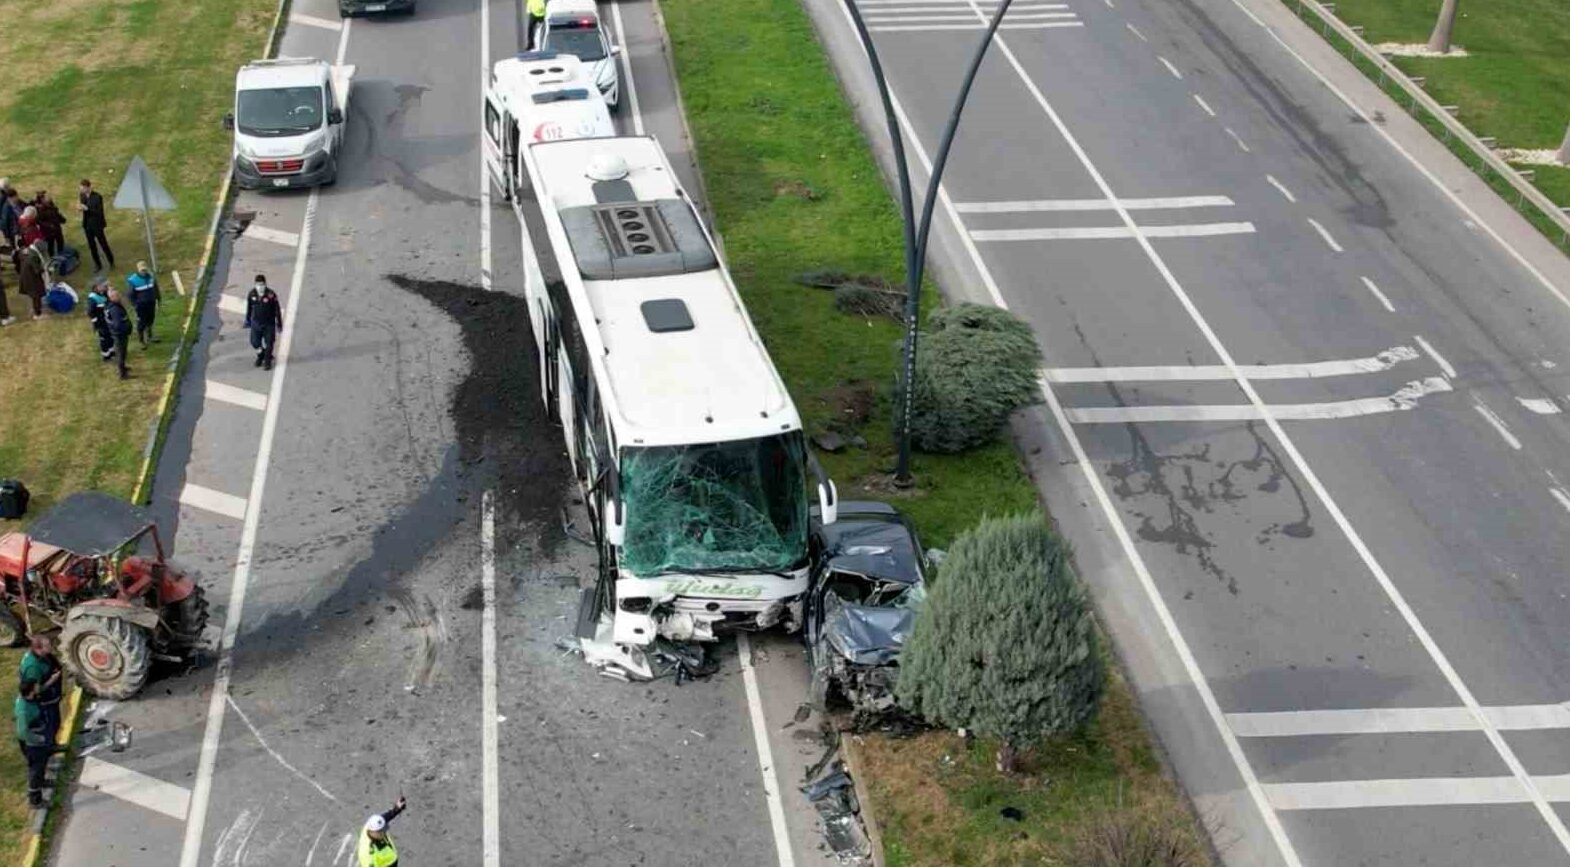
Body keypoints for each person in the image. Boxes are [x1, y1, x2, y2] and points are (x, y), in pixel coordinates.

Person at [19, 635, 62, 747]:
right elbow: (36, 690)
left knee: (54, 723)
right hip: (45, 701)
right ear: (38, 648)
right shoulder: (33, 668)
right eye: (47, 646)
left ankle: (52, 744)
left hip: (51, 697)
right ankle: (49, 749)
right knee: (51, 725)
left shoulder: (38, 655)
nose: (51, 647)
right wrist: (52, 680)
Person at [14, 681, 51, 808]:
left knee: (42, 763)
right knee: (36, 768)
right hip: (32, 744)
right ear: (30, 691)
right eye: (35, 687)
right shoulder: (24, 710)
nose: (37, 687)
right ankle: (35, 799)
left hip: (39, 739)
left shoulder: (29, 699)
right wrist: (38, 739)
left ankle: (42, 781)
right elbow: (23, 732)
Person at [244, 275, 283, 370]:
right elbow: (249, 308)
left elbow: (277, 309)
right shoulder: (252, 294)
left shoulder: (271, 294)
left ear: (265, 284)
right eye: (258, 284)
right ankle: (261, 355)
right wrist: (247, 319)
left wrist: (279, 323)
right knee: (254, 342)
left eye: (262, 284)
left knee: (269, 343)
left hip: (269, 323)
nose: (260, 286)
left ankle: (267, 362)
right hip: (256, 323)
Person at [76, 178, 114, 273]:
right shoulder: (82, 196)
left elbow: (99, 212)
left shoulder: (97, 197)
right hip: (87, 225)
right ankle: (97, 264)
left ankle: (111, 261)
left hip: (97, 224)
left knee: (103, 243)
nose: (81, 190)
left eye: (83, 188)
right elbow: (82, 206)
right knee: (92, 245)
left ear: (88, 187)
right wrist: (80, 208)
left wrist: (87, 209)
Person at [357, 796, 406, 867]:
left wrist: (397, 809)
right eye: (380, 831)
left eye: (383, 829)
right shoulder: (367, 855)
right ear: (374, 832)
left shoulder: (369, 826)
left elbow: (383, 818)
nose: (383, 833)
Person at [127, 261, 160, 346]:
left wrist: (158, 299)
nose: (144, 272)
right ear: (138, 270)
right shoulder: (133, 280)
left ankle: (150, 336)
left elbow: (156, 289)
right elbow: (130, 295)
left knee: (150, 320)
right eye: (142, 270)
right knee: (141, 323)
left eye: (145, 270)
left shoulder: (151, 277)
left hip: (151, 303)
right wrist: (135, 305)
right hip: (141, 306)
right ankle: (141, 341)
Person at [104, 288, 133, 379]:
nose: (119, 297)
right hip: (120, 334)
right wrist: (126, 330)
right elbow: (118, 324)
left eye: (118, 295)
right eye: (116, 296)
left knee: (122, 352)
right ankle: (122, 374)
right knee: (121, 353)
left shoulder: (113, 306)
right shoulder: (115, 309)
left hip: (118, 333)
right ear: (111, 297)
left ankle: (123, 367)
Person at [17, 239, 47, 319]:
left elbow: (19, 254)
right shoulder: (33, 256)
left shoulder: (26, 250)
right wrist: (46, 269)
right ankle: (38, 314)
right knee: (36, 295)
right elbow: (37, 270)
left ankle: (34, 309)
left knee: (33, 295)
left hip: (25, 276)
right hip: (32, 278)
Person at [85, 281, 114, 360]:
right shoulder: (93, 298)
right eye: (101, 286)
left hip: (107, 319)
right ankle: (106, 356)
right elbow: (90, 312)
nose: (104, 287)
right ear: (95, 288)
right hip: (101, 322)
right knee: (104, 338)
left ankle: (111, 351)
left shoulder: (103, 294)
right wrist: (95, 322)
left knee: (110, 336)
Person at [34, 192, 66, 258]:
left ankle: (60, 255)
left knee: (60, 243)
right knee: (50, 246)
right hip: (48, 232)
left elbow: (58, 216)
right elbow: (38, 221)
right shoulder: (42, 211)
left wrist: (62, 220)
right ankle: (52, 258)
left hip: (56, 230)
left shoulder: (53, 209)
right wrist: (48, 225)